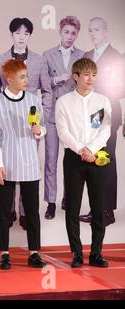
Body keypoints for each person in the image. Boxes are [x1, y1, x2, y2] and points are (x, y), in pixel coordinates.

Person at [0, 17, 52, 230]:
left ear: (30, 36)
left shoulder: (39, 60)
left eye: (25, 33)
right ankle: (8, 212)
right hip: (7, 123)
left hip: (30, 122)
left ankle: (25, 212)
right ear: (11, 35)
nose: (21, 37)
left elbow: (47, 90)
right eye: (17, 33)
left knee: (28, 167)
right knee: (7, 166)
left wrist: (41, 115)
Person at [0, 59, 47, 270]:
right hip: (7, 162)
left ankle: (34, 252)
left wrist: (39, 130)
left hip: (30, 162)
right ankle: (4, 253)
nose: (26, 80)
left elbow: (44, 126)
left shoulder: (33, 100)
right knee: (4, 210)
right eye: (21, 77)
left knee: (32, 210)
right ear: (8, 78)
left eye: (26, 76)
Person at [55, 58, 111, 268]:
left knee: (98, 208)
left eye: (94, 75)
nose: (91, 79)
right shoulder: (63, 102)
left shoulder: (102, 101)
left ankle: (96, 253)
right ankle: (76, 253)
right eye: (86, 74)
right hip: (74, 158)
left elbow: (104, 129)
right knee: (73, 207)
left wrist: (92, 149)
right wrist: (81, 149)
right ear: (75, 76)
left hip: (97, 157)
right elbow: (63, 131)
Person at [79, 17, 125, 226]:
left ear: (106, 31)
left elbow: (122, 89)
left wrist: (100, 92)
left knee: (106, 159)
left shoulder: (117, 57)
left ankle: (107, 211)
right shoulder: (87, 56)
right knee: (93, 159)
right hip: (89, 114)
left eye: (97, 29)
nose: (93, 33)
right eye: (90, 30)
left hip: (107, 112)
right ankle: (96, 208)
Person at [42, 16, 84, 219]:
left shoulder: (83, 56)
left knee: (73, 161)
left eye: (73, 33)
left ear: (77, 34)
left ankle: (69, 198)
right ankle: (51, 202)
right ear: (60, 31)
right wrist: (57, 79)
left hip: (72, 117)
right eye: (66, 32)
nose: (69, 36)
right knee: (51, 160)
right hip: (51, 115)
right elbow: (42, 83)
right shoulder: (47, 54)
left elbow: (85, 85)